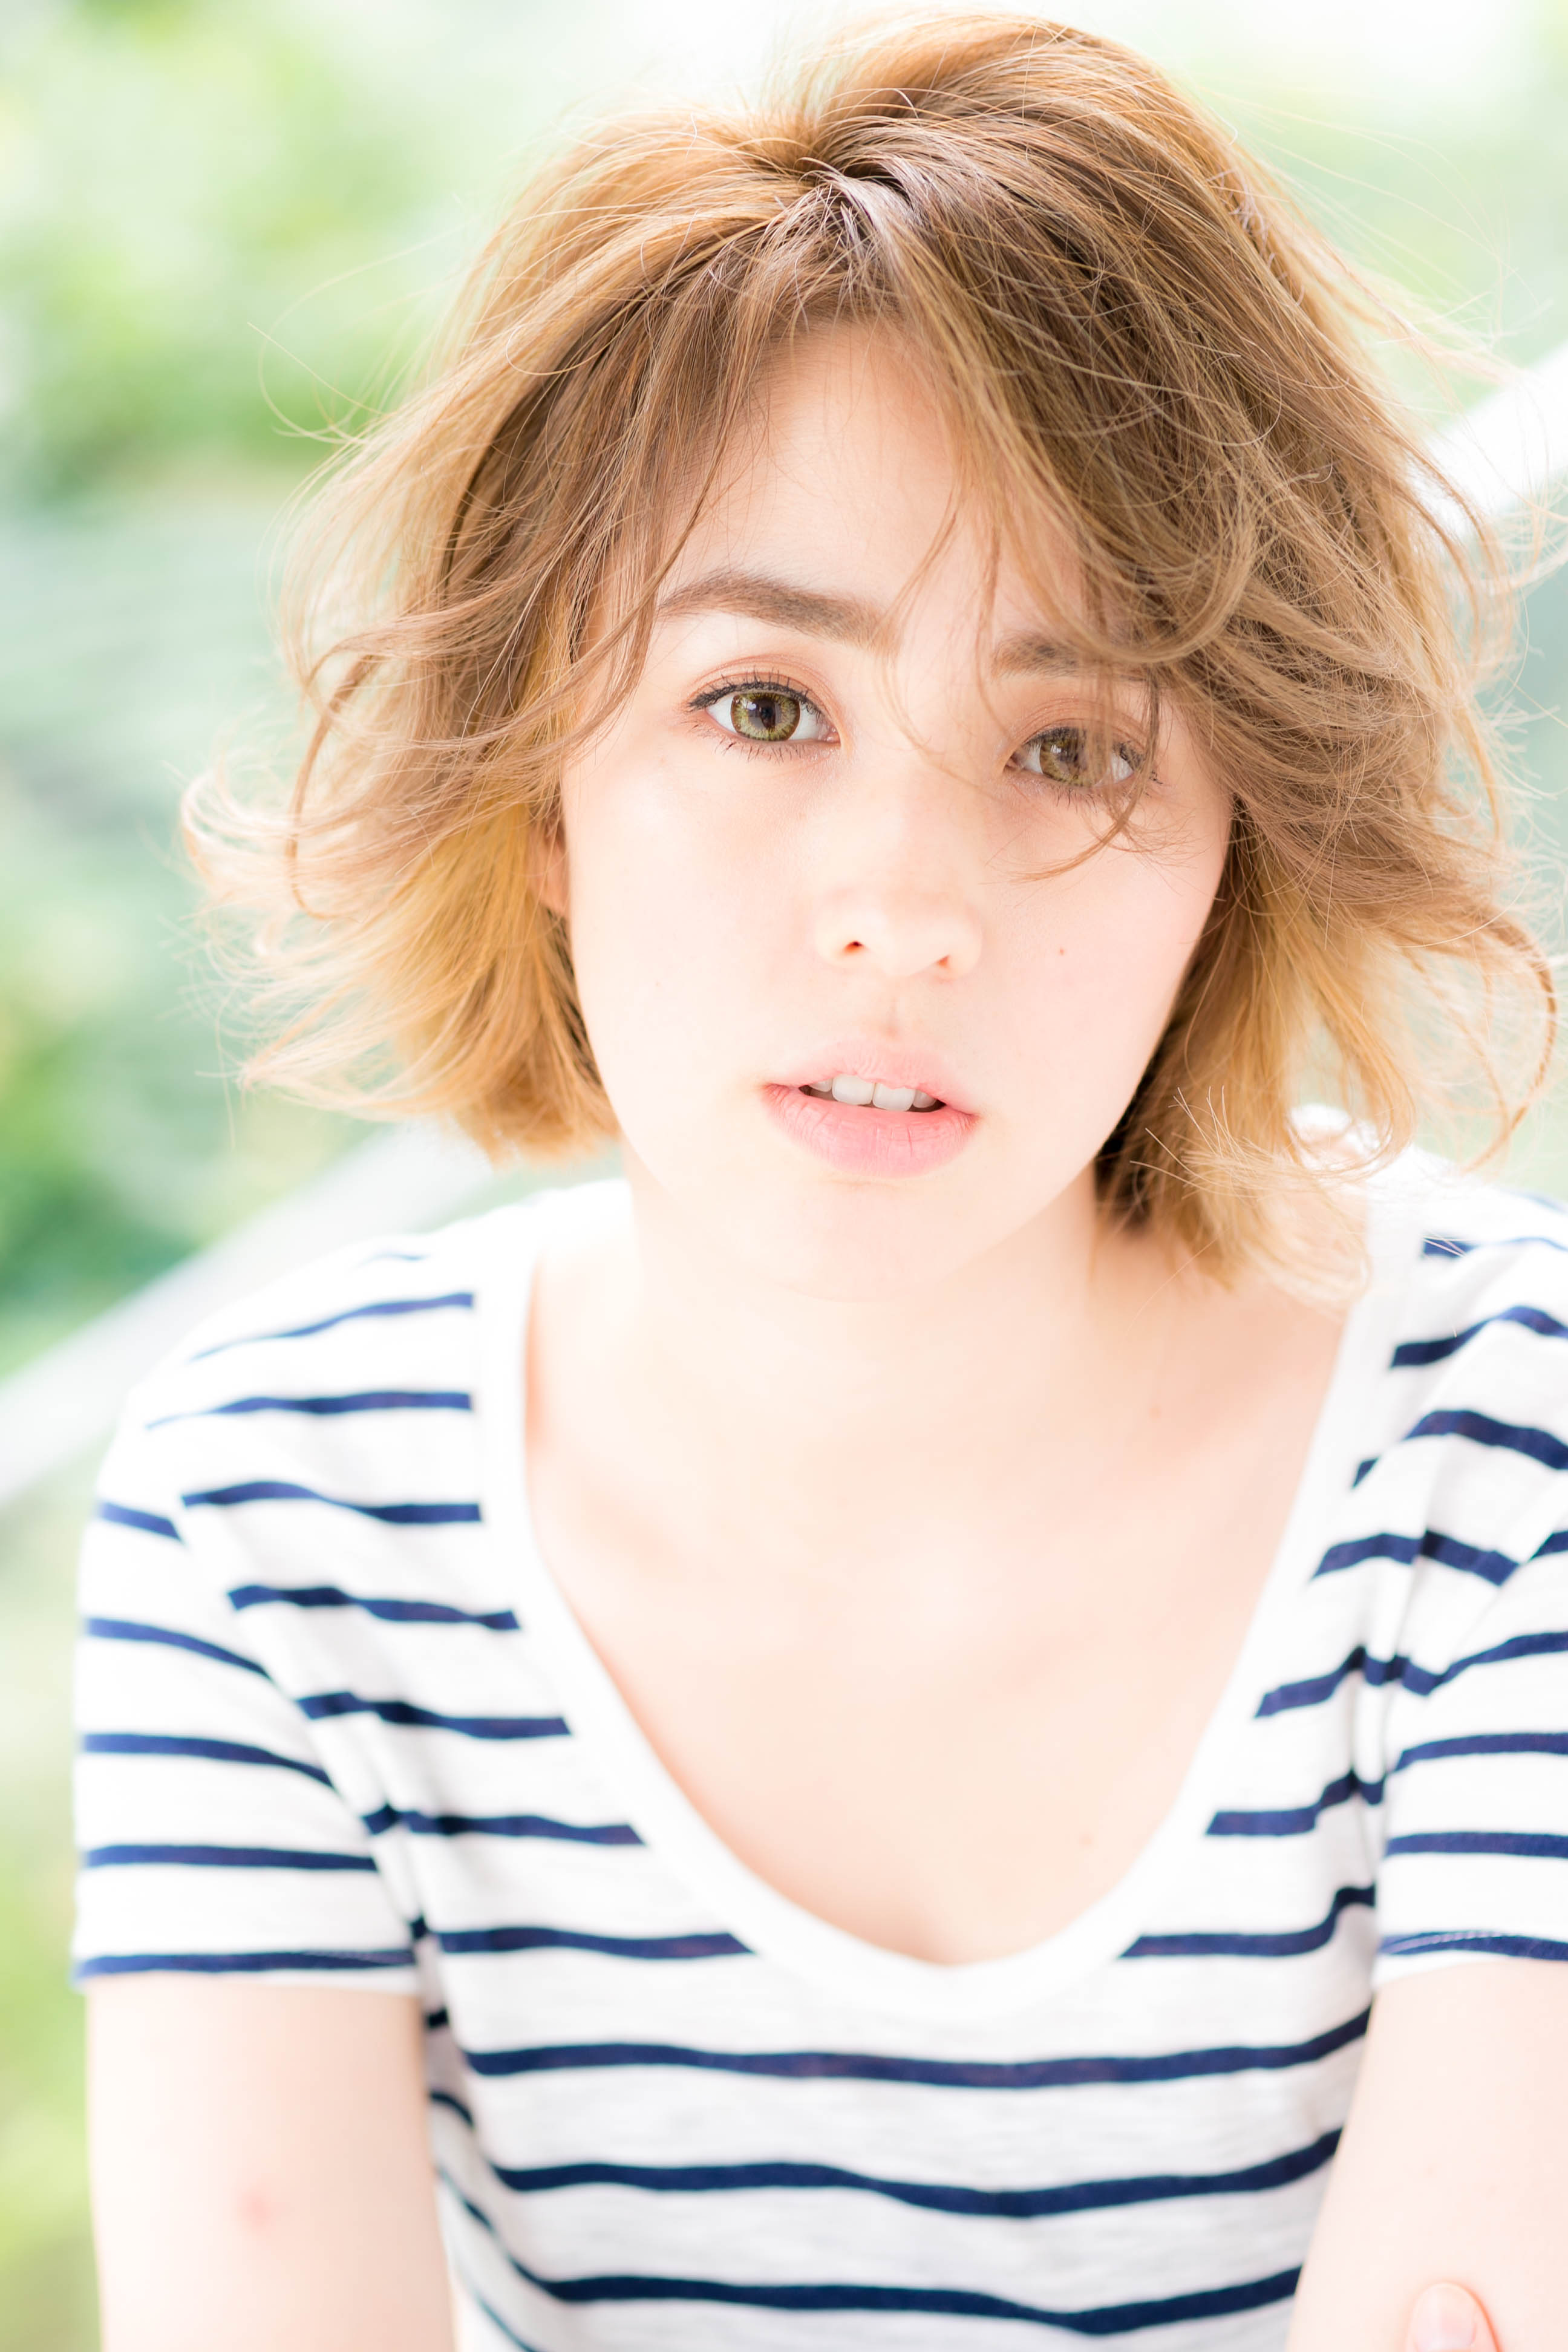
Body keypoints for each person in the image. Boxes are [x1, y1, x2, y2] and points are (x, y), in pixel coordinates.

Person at [74, 13, 1567, 2349]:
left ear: (1235, 845)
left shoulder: (1506, 1447)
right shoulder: (282, 1513)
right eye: (764, 706)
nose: (905, 908)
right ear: (539, 778)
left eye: (1071, 746)